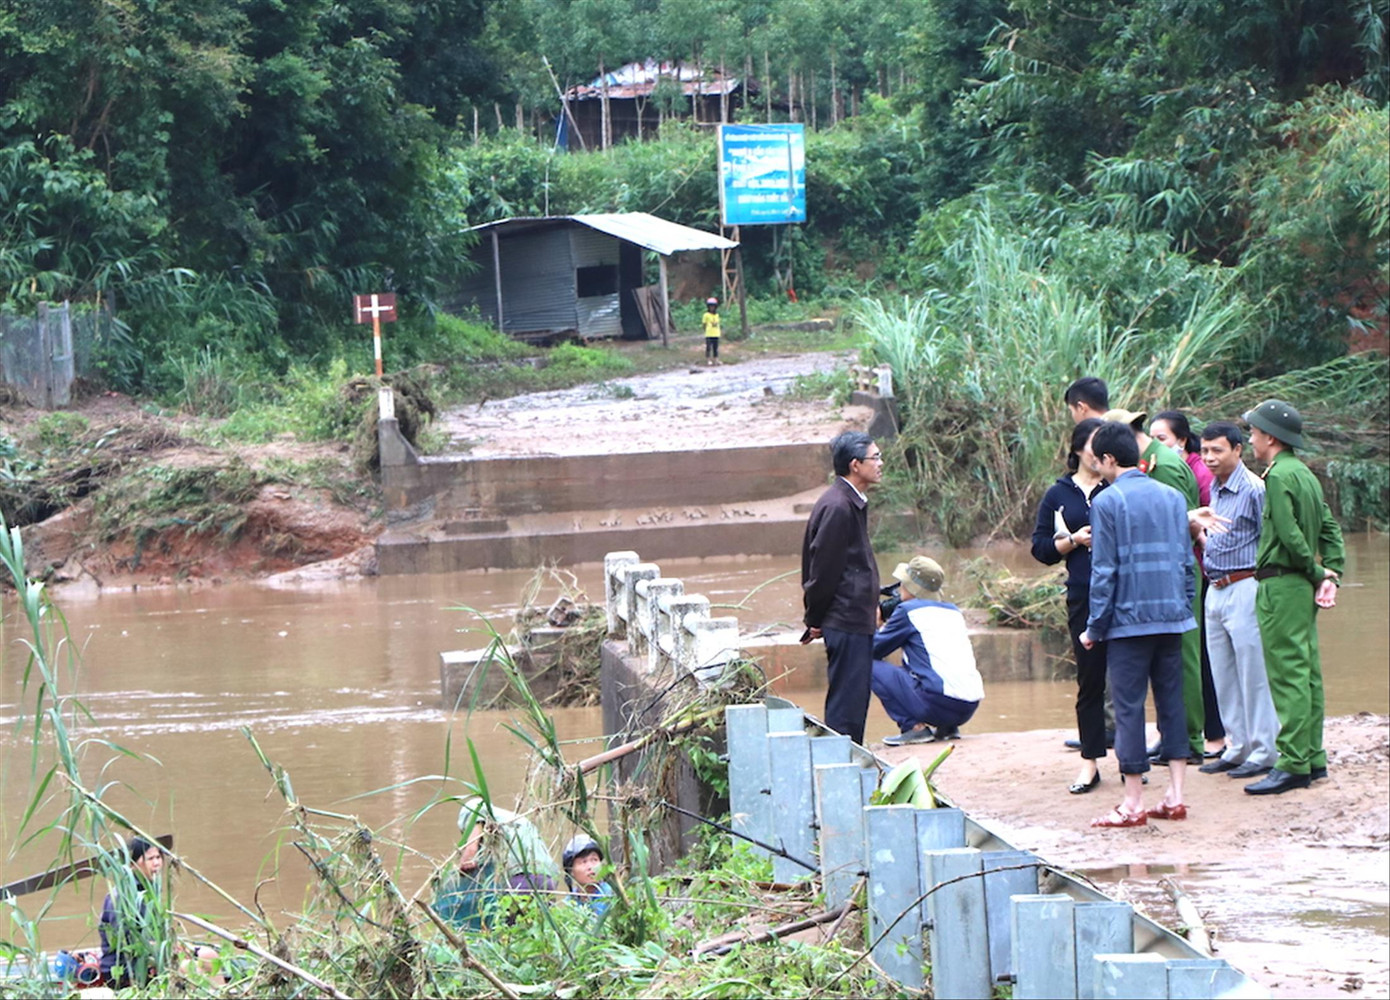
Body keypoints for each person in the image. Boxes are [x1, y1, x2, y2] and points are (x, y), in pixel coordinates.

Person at [1080, 421, 1196, 827]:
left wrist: (1094, 627)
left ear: (1111, 460)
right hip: (1171, 618)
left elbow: (1104, 572)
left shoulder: (1107, 502)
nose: (1097, 467)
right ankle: (1176, 796)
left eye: (1098, 461)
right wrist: (1184, 607)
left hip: (1128, 624)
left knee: (1129, 707)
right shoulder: (1172, 497)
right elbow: (1186, 562)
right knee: (1171, 703)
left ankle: (1132, 804)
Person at [1243, 399, 1345, 795]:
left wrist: (1319, 571)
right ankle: (1312, 757)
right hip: (1299, 585)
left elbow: (1289, 535)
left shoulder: (1278, 477)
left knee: (1287, 675)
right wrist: (1332, 571)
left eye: (1253, 432)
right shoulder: (1304, 473)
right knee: (1308, 674)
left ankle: (1292, 762)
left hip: (1282, 584)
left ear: (1270, 437)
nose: (1250, 438)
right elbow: (1330, 528)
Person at [1104, 408, 1205, 763]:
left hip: (1171, 577)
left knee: (1184, 660)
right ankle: (1172, 738)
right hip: (1159, 578)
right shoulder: (1148, 464)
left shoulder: (1164, 467)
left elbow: (1186, 526)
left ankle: (1190, 739)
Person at [1031, 418, 1111, 792]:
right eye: (1096, 446)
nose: (1102, 455)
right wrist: (1075, 541)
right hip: (1083, 595)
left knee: (1127, 681)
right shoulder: (1058, 494)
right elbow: (1041, 549)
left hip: (1125, 595)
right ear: (1079, 449)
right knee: (1090, 681)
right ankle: (1091, 763)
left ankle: (1131, 759)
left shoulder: (1118, 486)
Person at [1197, 422, 1279, 780]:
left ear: (1237, 450)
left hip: (1245, 586)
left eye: (1217, 450)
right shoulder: (1215, 487)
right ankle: (1237, 746)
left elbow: (1269, 539)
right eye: (1204, 451)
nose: (1210, 458)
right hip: (1214, 588)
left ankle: (1264, 750)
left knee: (1253, 672)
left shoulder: (1254, 489)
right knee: (1223, 673)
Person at [800, 430, 883, 747]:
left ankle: (846, 764)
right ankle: (840, 768)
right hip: (845, 619)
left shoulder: (848, 501)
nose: (880, 463)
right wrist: (815, 618)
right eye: (875, 457)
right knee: (846, 705)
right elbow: (823, 573)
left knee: (852, 699)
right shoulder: (838, 507)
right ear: (855, 465)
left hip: (852, 617)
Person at [1152, 408, 1225, 757]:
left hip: (1204, 571)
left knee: (1199, 659)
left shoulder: (1194, 473)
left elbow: (1211, 526)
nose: (1156, 445)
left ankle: (1207, 736)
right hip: (1193, 570)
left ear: (1181, 440)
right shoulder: (1177, 468)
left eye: (1161, 438)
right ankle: (1190, 733)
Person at [871, 556, 984, 746]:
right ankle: (948, 728)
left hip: (938, 704)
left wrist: (875, 624)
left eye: (902, 585)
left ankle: (913, 728)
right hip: (968, 707)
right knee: (919, 662)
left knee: (864, 664)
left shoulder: (908, 611)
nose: (899, 589)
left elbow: (872, 650)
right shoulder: (953, 611)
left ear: (911, 588)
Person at [98, 836, 219, 989]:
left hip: (156, 952)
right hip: (127, 966)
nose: (157, 863)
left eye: (158, 857)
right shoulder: (121, 897)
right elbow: (128, 943)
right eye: (150, 859)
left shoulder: (150, 889)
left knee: (209, 956)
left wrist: (181, 946)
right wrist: (168, 948)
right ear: (133, 863)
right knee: (188, 968)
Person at [434, 799, 562, 929]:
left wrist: (458, 872)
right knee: (538, 935)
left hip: (521, 882)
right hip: (547, 884)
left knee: (510, 936)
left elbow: (470, 854)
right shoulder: (517, 820)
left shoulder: (474, 811)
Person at [561, 834, 613, 915]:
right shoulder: (569, 902)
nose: (590, 867)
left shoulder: (611, 896)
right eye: (583, 862)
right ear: (571, 871)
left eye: (594, 860)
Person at [702, 297, 722, 366]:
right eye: (710, 306)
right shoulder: (706, 315)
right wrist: (706, 331)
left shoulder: (717, 315)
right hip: (709, 334)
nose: (712, 308)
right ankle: (708, 360)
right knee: (708, 348)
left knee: (715, 348)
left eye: (713, 306)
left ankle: (716, 360)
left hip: (716, 334)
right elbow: (704, 324)